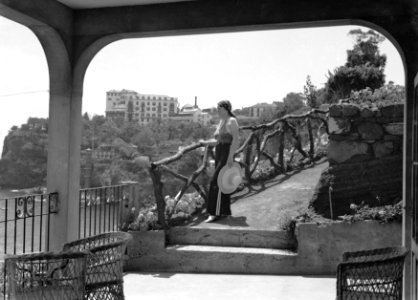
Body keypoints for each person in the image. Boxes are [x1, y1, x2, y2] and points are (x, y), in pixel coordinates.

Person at [205, 100, 240, 223]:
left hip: (226, 152)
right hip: (219, 151)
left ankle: (213, 213)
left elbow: (235, 140)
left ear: (225, 109)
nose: (217, 111)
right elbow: (219, 139)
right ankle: (224, 211)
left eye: (219, 108)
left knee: (215, 182)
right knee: (223, 182)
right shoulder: (222, 122)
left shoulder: (232, 121)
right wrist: (204, 143)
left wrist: (230, 157)